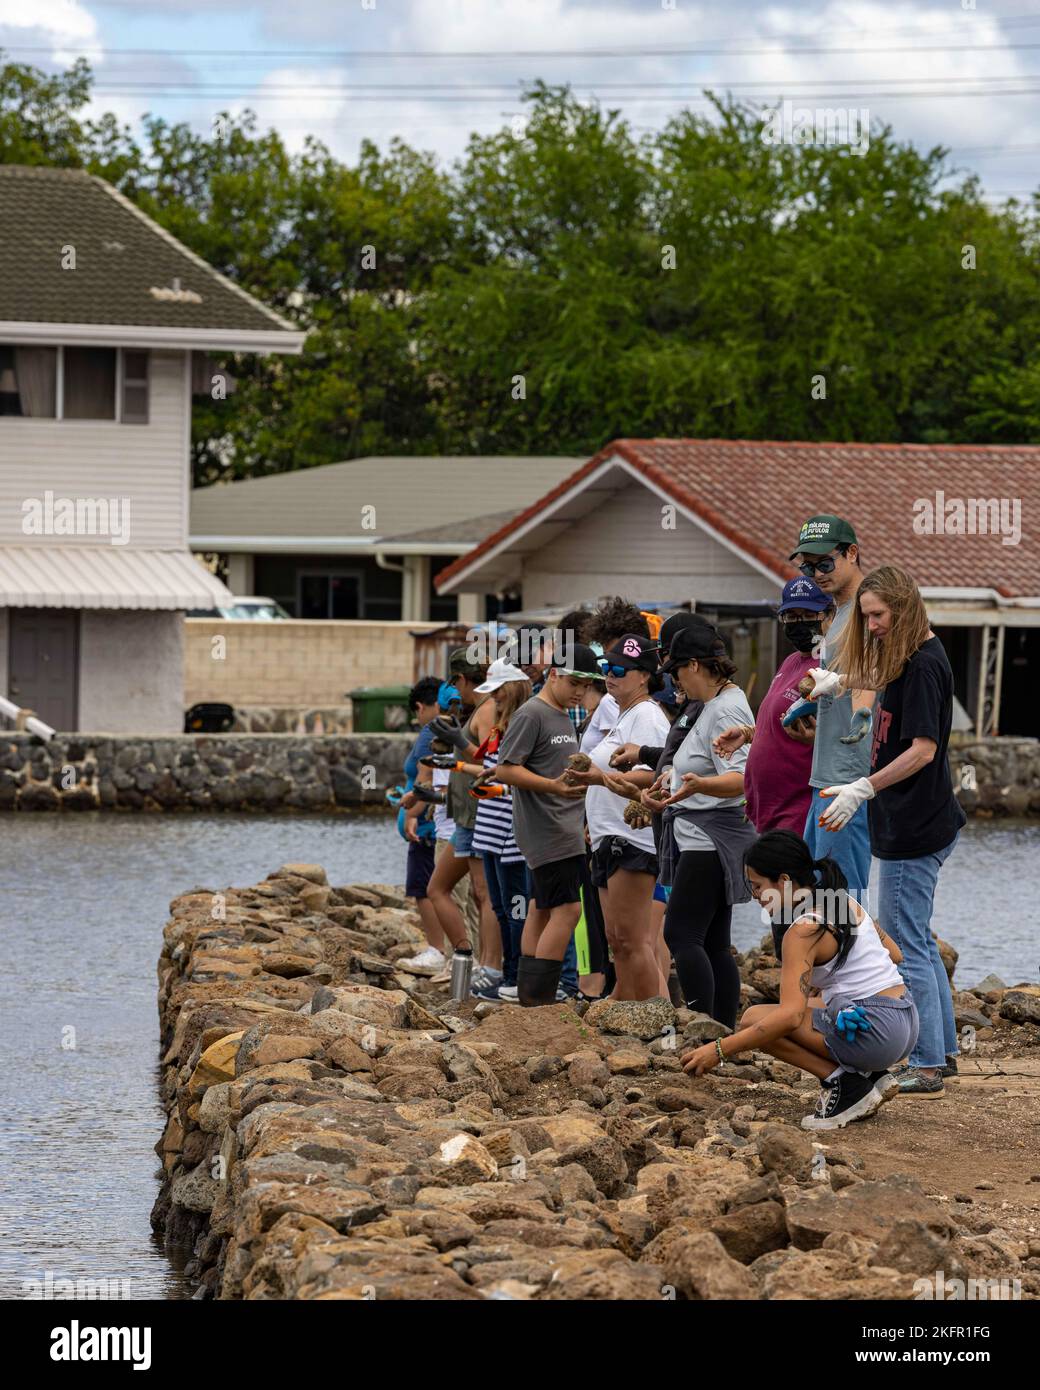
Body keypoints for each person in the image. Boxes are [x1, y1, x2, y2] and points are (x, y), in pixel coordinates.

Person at [819, 565, 966, 1096]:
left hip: (916, 827)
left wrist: (864, 786)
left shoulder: (925, 665)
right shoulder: (909, 656)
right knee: (920, 939)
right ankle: (943, 1054)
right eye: (866, 616)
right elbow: (884, 677)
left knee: (906, 939)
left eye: (878, 615)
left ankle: (925, 1065)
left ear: (903, 608)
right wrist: (841, 680)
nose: (873, 625)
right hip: (914, 823)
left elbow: (923, 751)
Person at [682, 830, 915, 1131]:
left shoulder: (802, 930)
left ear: (783, 881)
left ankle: (845, 1085)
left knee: (755, 1021)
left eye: (757, 885)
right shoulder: (844, 901)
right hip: (905, 1019)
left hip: (878, 1033)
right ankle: (872, 1077)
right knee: (793, 1009)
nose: (754, 895)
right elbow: (894, 954)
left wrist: (719, 1049)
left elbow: (790, 1018)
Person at [642, 622, 757, 1027]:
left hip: (710, 840)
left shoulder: (725, 708)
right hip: (700, 836)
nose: (674, 680)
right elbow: (700, 766)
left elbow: (743, 779)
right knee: (713, 941)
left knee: (680, 934)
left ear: (695, 665)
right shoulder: (713, 705)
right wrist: (670, 779)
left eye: (676, 671)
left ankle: (703, 1027)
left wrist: (699, 785)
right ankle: (722, 1031)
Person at [561, 635, 671, 1000]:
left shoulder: (648, 716)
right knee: (616, 940)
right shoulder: (625, 715)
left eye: (620, 670)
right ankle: (625, 1009)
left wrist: (595, 778)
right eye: (607, 668)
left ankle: (655, 1015)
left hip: (633, 840)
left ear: (643, 676)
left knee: (634, 939)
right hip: (610, 836)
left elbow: (655, 775)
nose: (610, 676)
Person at [494, 643, 602, 1005]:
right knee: (569, 911)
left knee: (541, 909)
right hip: (549, 832)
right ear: (554, 674)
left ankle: (529, 998)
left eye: (587, 686)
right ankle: (540, 1001)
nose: (580, 692)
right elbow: (505, 768)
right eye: (575, 682)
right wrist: (553, 786)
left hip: (565, 829)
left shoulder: (560, 714)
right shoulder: (532, 714)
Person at [787, 515, 876, 900]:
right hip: (823, 774)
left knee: (842, 902)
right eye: (808, 565)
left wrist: (849, 693)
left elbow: (875, 678)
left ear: (852, 553)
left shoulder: (867, 612)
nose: (816, 573)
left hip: (848, 778)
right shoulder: (837, 612)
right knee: (817, 895)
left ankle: (865, 962)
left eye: (825, 563)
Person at [712, 576, 838, 834]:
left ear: (829, 614)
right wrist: (749, 734)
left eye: (808, 615)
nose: (799, 623)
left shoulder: (832, 667)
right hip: (769, 810)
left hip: (799, 810)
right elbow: (782, 718)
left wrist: (815, 740)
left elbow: (842, 738)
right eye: (791, 616)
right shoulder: (792, 661)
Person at [422, 653, 501, 986]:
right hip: (466, 817)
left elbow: (491, 764)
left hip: (478, 814)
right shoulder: (481, 710)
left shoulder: (487, 710)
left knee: (484, 895)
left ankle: (487, 966)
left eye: (455, 683)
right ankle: (466, 957)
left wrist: (458, 742)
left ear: (462, 680)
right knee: (440, 888)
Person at [466, 659, 532, 1001]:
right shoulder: (501, 727)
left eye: (496, 692)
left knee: (516, 908)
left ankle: (516, 977)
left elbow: (524, 782)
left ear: (510, 690)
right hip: (489, 833)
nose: (493, 699)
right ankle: (508, 975)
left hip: (512, 837)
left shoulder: (520, 727)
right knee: (502, 909)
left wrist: (499, 787)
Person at [396, 677, 448, 969]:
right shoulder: (444, 728)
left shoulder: (431, 731)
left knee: (424, 887)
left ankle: (437, 950)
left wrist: (413, 813)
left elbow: (427, 776)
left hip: (427, 827)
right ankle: (444, 950)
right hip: (430, 823)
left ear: (420, 707)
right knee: (432, 887)